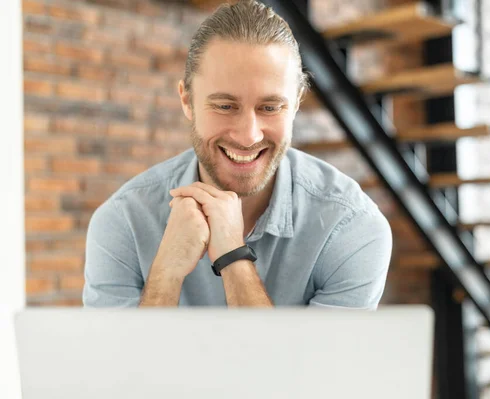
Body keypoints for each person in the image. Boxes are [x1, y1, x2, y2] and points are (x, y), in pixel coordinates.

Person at [83, 0, 392, 308]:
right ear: (187, 101)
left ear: (296, 104)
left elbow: (312, 360)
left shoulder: (352, 226)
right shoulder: (122, 221)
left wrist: (233, 255)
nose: (249, 135)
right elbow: (121, 358)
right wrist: (165, 274)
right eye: (225, 106)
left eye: (270, 108)